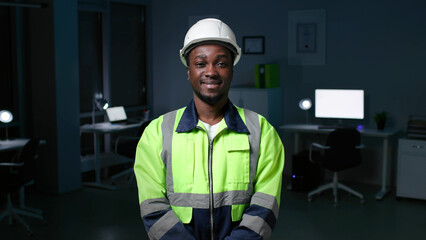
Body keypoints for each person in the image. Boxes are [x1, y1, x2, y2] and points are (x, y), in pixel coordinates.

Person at [134, 18, 285, 240]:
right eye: (200, 63)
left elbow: (265, 204)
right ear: (189, 71)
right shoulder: (157, 132)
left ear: (231, 70)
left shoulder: (262, 131)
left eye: (221, 63)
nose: (211, 72)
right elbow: (152, 206)